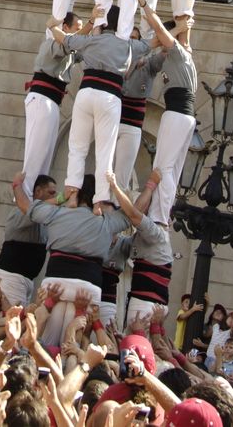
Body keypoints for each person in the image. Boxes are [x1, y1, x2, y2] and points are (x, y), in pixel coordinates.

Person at [12, 173, 129, 348]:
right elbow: (135, 213)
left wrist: (16, 186)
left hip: (55, 283)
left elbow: (25, 205)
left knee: (44, 341)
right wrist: (147, 186)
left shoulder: (58, 212)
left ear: (76, 193)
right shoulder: (107, 221)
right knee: (72, 346)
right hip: (88, 287)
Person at [49, 6, 136, 210]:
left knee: (77, 148)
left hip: (86, 93)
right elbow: (154, 43)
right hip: (109, 96)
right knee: (105, 151)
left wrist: (52, 25)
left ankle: (72, 196)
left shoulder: (91, 40)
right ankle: (100, 201)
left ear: (103, 24)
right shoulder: (129, 45)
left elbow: (64, 39)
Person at [134, 0, 197, 227]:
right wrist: (184, 20)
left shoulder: (178, 52)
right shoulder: (186, 54)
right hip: (186, 117)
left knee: (164, 166)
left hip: (177, 113)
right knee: (173, 167)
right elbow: (176, 37)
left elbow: (159, 28)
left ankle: (159, 216)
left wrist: (143, 4)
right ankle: (163, 211)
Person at [21, 13, 81, 198]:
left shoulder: (70, 49)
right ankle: (24, 196)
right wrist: (92, 21)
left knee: (45, 155)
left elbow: (81, 49)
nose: (79, 33)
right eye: (76, 28)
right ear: (65, 28)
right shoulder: (53, 44)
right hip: (42, 100)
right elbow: (67, 44)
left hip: (52, 102)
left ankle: (37, 198)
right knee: (36, 153)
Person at [105, 169, 174, 325]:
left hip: (145, 303)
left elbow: (134, 214)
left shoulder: (155, 231)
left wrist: (150, 185)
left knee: (135, 344)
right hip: (151, 302)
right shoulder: (142, 238)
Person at [0, 173, 57, 307]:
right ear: (38, 191)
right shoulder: (20, 212)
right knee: (12, 321)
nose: (54, 197)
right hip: (12, 276)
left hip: (25, 279)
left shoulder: (43, 219)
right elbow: (35, 210)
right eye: (51, 193)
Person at [113, 43, 165, 194]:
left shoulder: (148, 65)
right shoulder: (117, 60)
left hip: (132, 125)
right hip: (112, 123)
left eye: (136, 39)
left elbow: (162, 56)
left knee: (122, 178)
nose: (132, 43)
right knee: (104, 171)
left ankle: (115, 208)